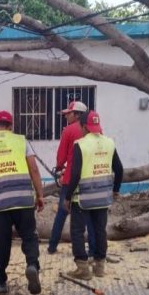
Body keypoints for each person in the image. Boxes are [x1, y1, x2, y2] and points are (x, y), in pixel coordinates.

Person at [0, 110, 44, 295]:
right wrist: (40, 195)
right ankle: (32, 265)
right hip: (23, 200)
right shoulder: (21, 141)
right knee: (29, 236)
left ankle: (0, 281)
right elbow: (34, 170)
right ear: (11, 126)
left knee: (1, 242)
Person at [63, 111, 123, 280]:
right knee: (100, 230)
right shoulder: (109, 143)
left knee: (77, 231)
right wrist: (115, 189)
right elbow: (119, 169)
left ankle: (83, 268)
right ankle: (99, 267)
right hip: (103, 196)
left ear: (83, 127)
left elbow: (75, 174)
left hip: (82, 198)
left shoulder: (80, 145)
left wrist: (67, 197)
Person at [48, 101, 96, 256]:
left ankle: (52, 246)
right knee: (89, 215)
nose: (66, 116)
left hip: (70, 180)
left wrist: (60, 168)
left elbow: (61, 157)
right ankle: (94, 249)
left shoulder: (68, 131)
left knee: (62, 212)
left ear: (77, 115)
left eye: (69, 113)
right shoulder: (94, 131)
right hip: (89, 178)